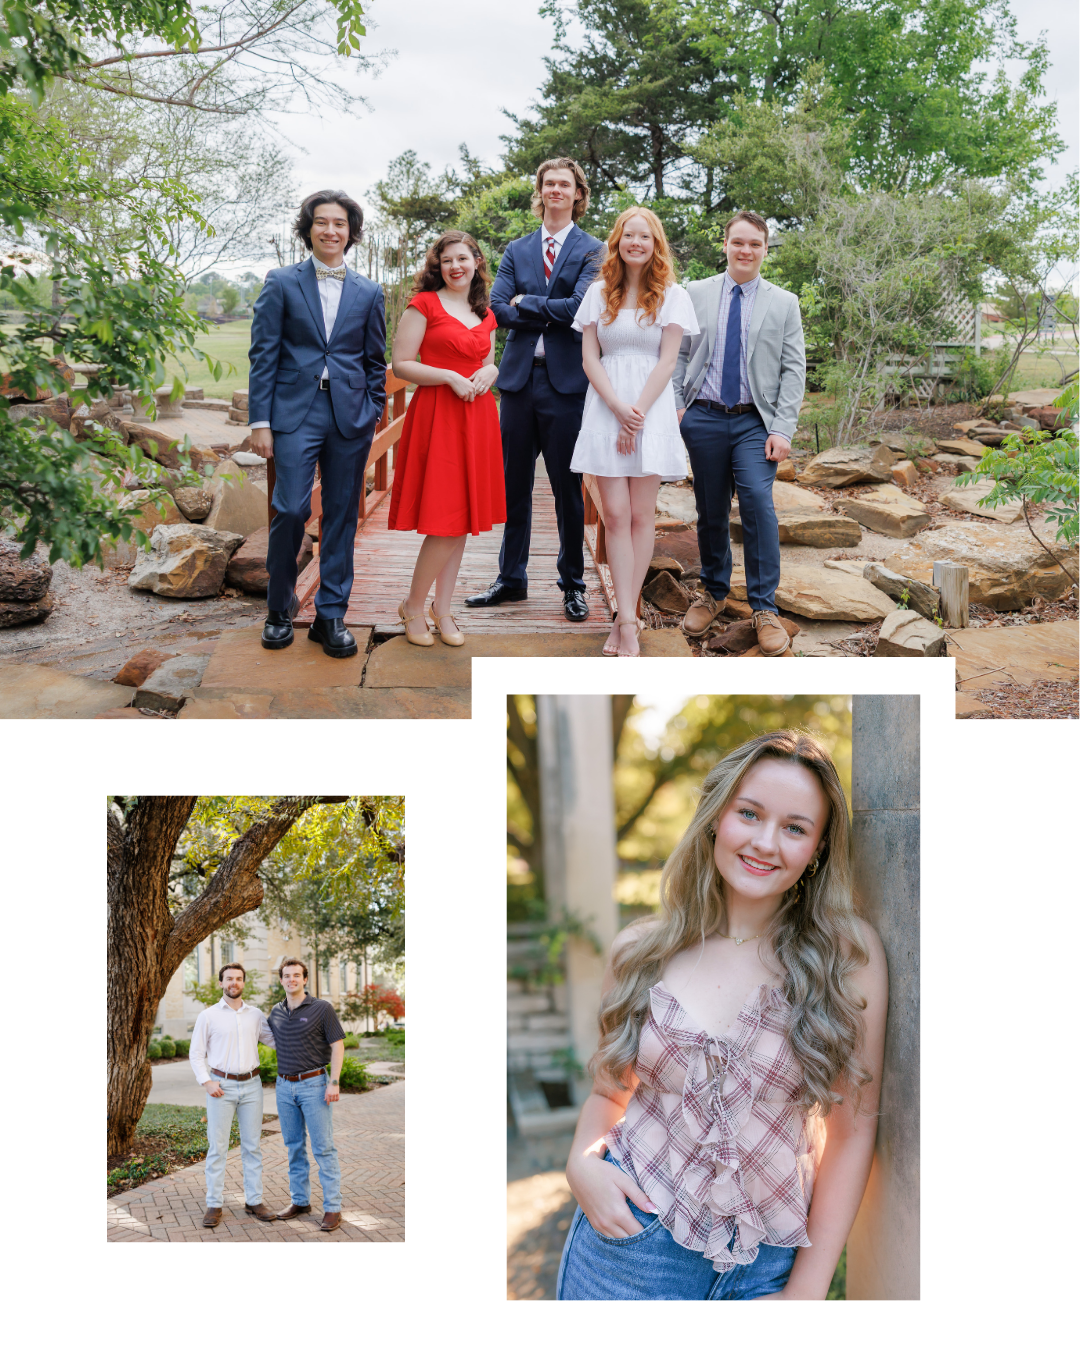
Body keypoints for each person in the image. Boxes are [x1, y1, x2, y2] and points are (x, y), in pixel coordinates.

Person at [557, 729, 887, 1300]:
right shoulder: (640, 951)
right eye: (749, 814)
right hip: (627, 1252)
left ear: (818, 848)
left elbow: (853, 1132)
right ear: (716, 817)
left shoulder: (847, 958)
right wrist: (579, 1165)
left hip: (767, 1269)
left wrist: (805, 1295)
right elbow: (609, 1094)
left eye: (794, 828)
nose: (765, 842)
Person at [248, 189, 387, 659]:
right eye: (322, 222)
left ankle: (331, 613)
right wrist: (260, 421)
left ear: (352, 233)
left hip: (350, 416)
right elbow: (263, 354)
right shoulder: (281, 282)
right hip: (293, 414)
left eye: (340, 224)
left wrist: (374, 409)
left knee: (343, 513)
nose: (331, 230)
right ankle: (279, 605)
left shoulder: (369, 291)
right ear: (308, 228)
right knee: (289, 508)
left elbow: (374, 359)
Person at [467, 158, 604, 621]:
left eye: (565, 184)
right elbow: (499, 309)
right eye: (549, 184)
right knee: (514, 486)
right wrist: (542, 307)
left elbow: (580, 308)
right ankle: (511, 579)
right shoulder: (518, 249)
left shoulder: (594, 250)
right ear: (540, 191)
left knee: (567, 489)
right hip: (519, 383)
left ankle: (573, 584)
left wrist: (531, 302)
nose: (556, 191)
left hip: (567, 384)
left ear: (578, 194)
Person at [673, 210, 806, 656]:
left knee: (756, 502)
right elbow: (678, 353)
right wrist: (677, 407)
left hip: (756, 421)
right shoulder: (696, 293)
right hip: (705, 416)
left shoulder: (784, 303)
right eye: (738, 242)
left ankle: (764, 606)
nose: (745, 251)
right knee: (710, 508)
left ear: (766, 249)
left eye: (755, 244)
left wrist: (782, 428)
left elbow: (793, 370)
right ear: (726, 245)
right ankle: (713, 592)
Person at [570, 208, 699, 657]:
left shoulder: (673, 295)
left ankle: (627, 619)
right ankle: (627, 616)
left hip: (651, 408)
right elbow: (590, 358)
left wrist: (637, 412)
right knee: (616, 515)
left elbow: (668, 360)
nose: (637, 242)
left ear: (655, 243)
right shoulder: (598, 291)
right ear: (618, 241)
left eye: (645, 236)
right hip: (607, 407)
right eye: (630, 235)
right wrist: (617, 408)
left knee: (642, 516)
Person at [388, 231, 504, 646]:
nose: (456, 267)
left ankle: (443, 607)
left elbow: (486, 362)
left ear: (476, 261)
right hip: (438, 415)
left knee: (464, 520)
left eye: (463, 258)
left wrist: (491, 372)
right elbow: (401, 364)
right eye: (447, 261)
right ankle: (415, 606)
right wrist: (449, 376)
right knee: (447, 519)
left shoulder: (485, 312)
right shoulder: (423, 305)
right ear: (438, 266)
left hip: (477, 417)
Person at [188, 962, 278, 1228]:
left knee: (252, 1147)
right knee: (218, 1148)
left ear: (243, 983)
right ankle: (214, 1204)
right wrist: (206, 1082)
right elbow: (196, 1054)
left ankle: (254, 1201)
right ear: (221, 983)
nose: (233, 983)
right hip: (220, 1088)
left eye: (238, 979)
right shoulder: (208, 1016)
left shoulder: (256, 1015)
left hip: (252, 1086)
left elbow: (275, 1041)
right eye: (229, 979)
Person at [268, 958, 347, 1231]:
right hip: (283, 1087)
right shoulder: (275, 1013)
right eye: (286, 975)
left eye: (296, 975)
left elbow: (338, 1046)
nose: (291, 979)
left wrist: (333, 1082)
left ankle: (333, 1208)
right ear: (281, 980)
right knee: (293, 1147)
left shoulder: (322, 1009)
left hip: (314, 1085)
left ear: (305, 979)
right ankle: (300, 1201)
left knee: (323, 1148)